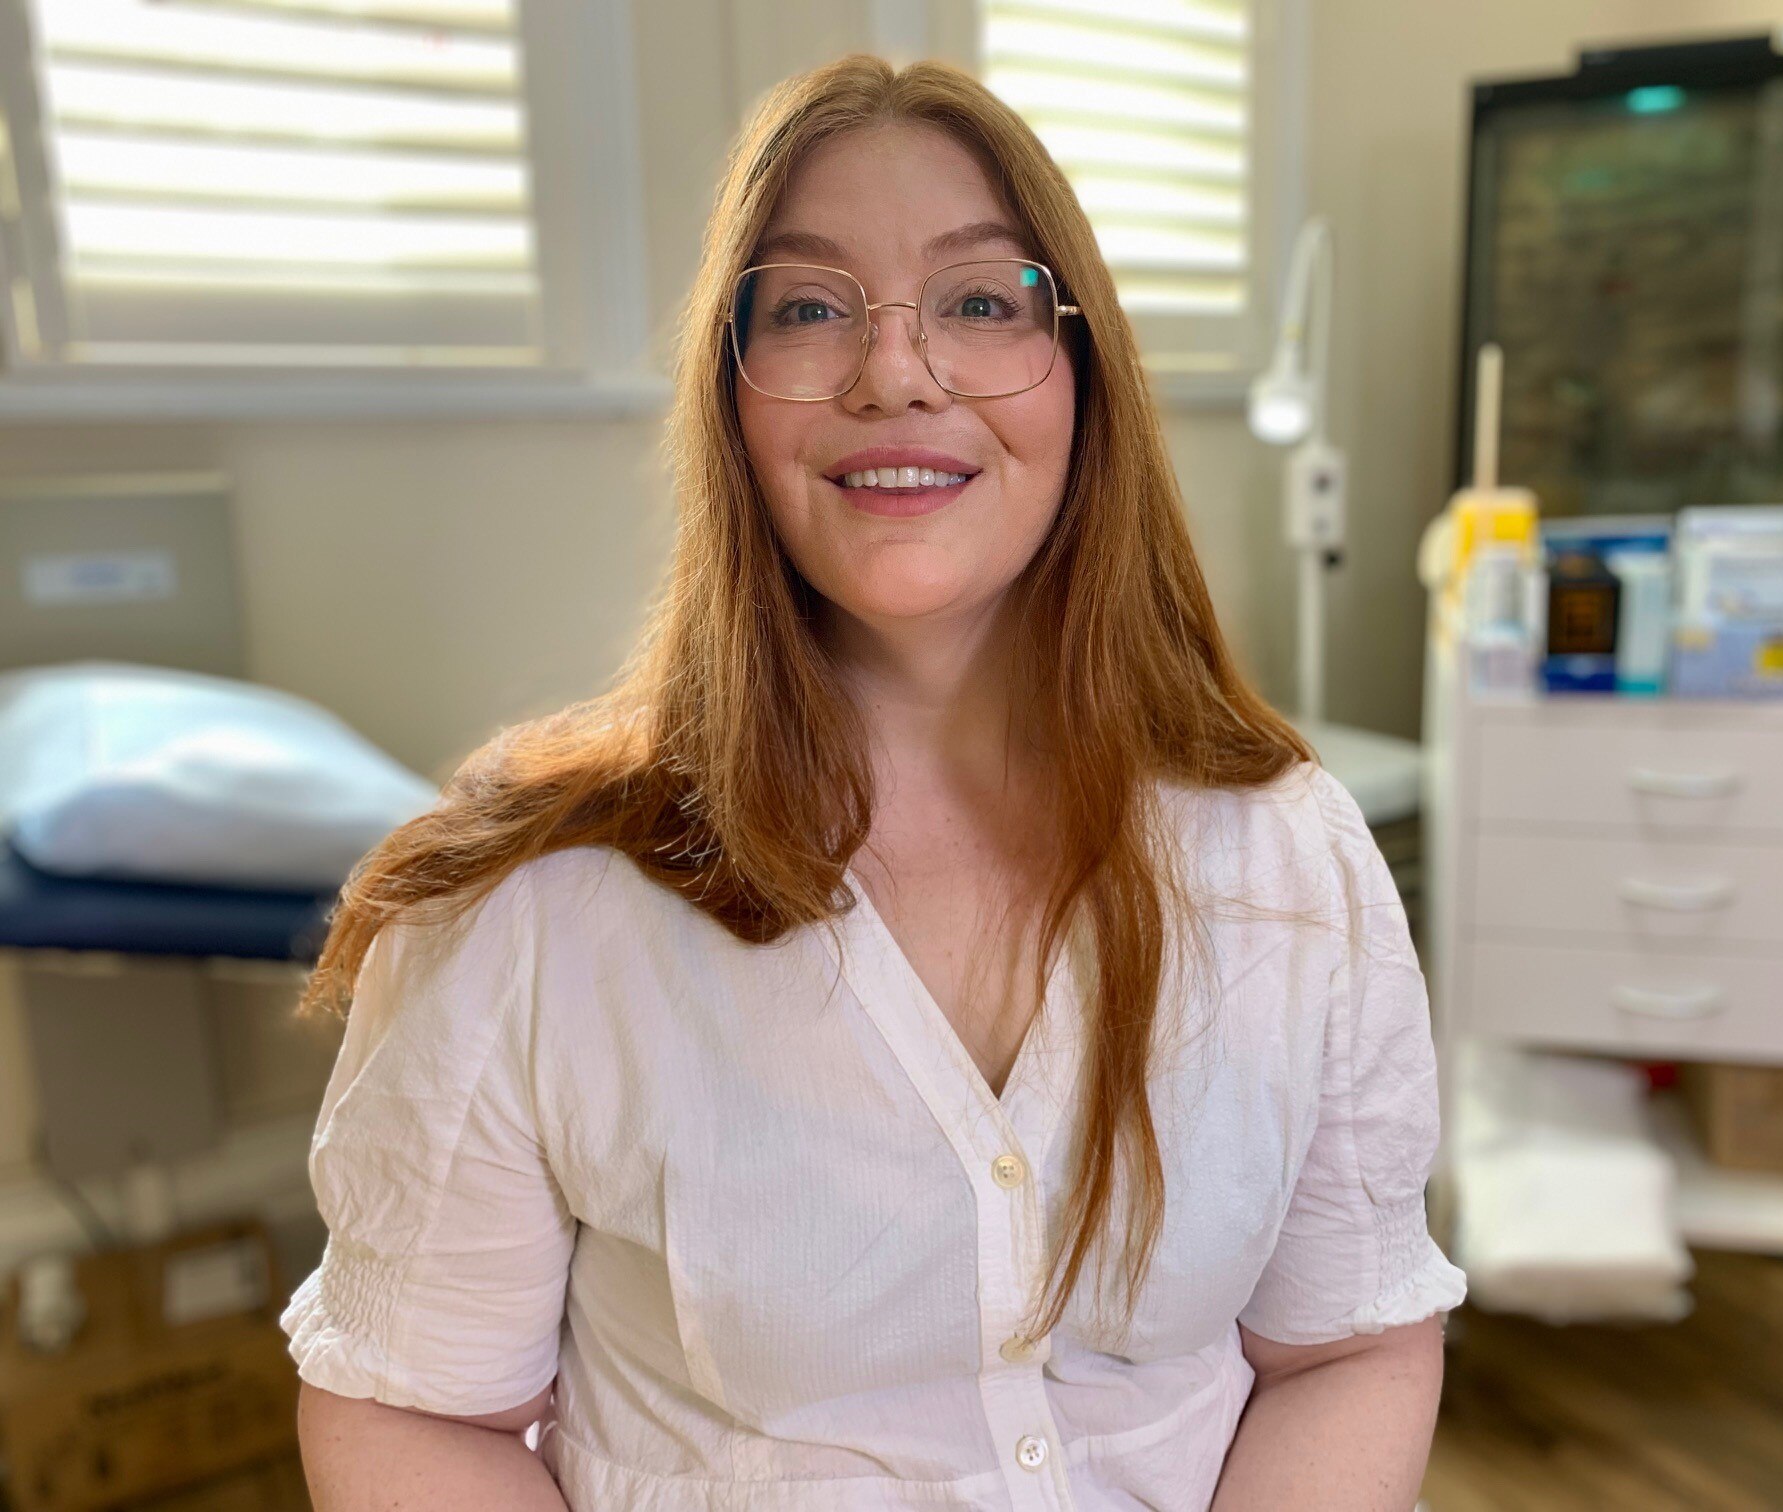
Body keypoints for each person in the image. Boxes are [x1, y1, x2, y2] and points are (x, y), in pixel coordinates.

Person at [284, 52, 1465, 1512]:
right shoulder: (534, 912)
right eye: (809, 308)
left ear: (1086, 374)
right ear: (731, 400)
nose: (896, 370)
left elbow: (1346, 1346)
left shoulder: (1291, 858)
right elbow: (418, 1414)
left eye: (980, 301)